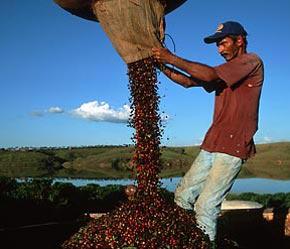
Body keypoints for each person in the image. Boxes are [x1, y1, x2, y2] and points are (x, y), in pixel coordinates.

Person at [152, 21, 264, 246]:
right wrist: (159, 65)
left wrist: (170, 57)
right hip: (212, 142)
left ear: (239, 40)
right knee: (182, 197)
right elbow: (186, 81)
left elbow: (209, 74)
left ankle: (204, 244)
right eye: (217, 46)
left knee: (205, 205)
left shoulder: (251, 61)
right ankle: (184, 241)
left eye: (223, 43)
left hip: (232, 147)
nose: (220, 49)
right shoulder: (225, 73)